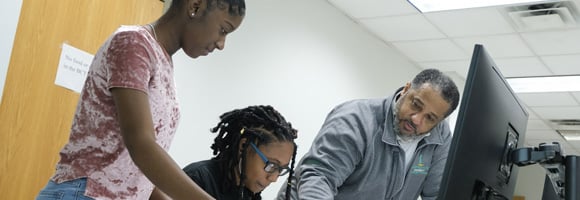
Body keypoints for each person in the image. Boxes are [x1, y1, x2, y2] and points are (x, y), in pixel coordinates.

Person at [36, 0, 245, 199]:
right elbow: (141, 144)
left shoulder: (162, 61)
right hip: (84, 193)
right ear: (196, 6)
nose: (221, 44)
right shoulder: (133, 43)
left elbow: (135, 172)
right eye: (224, 30)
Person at [277, 68, 460, 200]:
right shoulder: (355, 119)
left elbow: (436, 194)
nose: (417, 119)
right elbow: (320, 177)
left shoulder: (440, 136)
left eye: (430, 118)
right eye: (416, 104)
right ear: (406, 89)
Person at [169, 105, 298, 200]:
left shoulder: (249, 194)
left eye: (280, 170)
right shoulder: (197, 178)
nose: (274, 178)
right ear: (243, 146)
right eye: (271, 165)